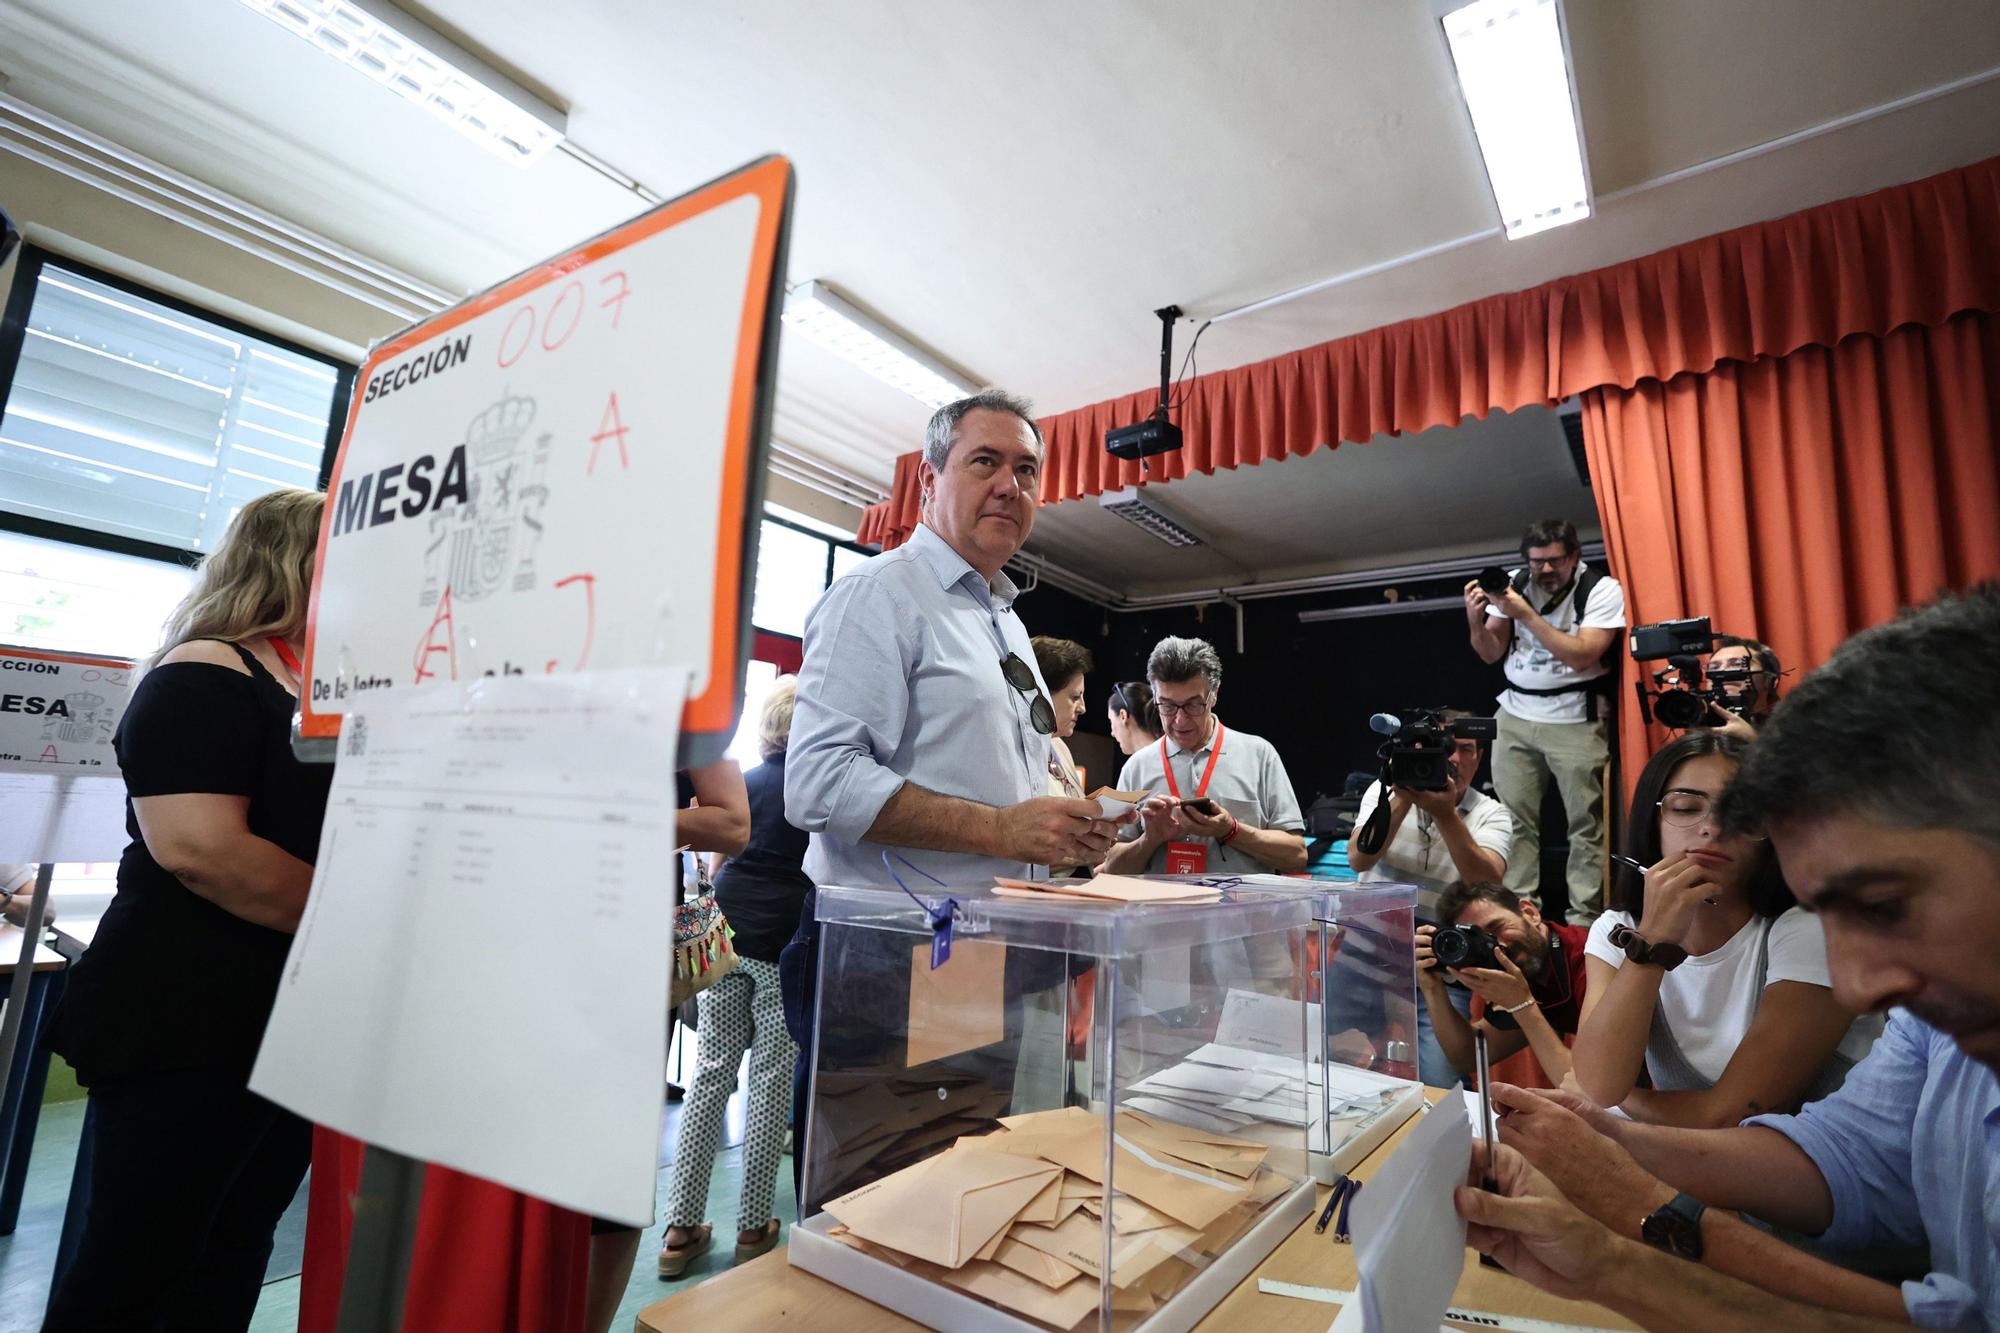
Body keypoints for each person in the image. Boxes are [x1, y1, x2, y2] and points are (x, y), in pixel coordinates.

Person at [1458, 584, 2000, 1330]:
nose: (1860, 985)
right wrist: (1610, 1143)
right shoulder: (1936, 1025)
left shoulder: (1792, 932)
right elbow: (1850, 1155)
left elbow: (1712, 1108)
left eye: (1885, 905)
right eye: (1684, 807)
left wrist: (1635, 1199)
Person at [782, 390, 1124, 1204]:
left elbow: (1027, 774)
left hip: (977, 954)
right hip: (886, 960)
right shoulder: (881, 595)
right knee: (875, 1213)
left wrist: (1070, 824)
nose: (1012, 484)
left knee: (960, 1201)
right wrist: (1006, 828)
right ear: (930, 479)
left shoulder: (1001, 620)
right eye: (986, 462)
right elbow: (820, 779)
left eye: (1028, 471)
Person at [43, 488, 332, 1332]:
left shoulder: (311, 683)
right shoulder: (207, 668)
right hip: (188, 1009)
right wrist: (359, 928)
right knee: (138, 1257)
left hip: (285, 1011)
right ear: (299, 557)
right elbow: (204, 851)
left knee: (235, 1241)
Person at [1572, 730, 1879, 1126]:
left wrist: (1630, 1104)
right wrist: (1652, 941)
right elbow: (1600, 1084)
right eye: (1685, 808)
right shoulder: (1618, 929)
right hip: (1702, 1166)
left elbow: (1732, 1115)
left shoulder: (1810, 930)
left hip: (1827, 1173)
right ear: (1652, 821)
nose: (1713, 828)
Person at [584, 757, 749, 1330]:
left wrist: (612, 816)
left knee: (613, 1170)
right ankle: (707, 1225)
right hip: (542, 940)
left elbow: (732, 825)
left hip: (630, 953)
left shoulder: (683, 701)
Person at [657, 683, 808, 1279]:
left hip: (726, 937)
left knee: (710, 1073)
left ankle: (680, 1228)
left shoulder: (743, 778)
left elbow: (720, 864)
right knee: (770, 1082)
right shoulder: (813, 787)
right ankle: (751, 1226)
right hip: (784, 941)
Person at [1465, 519, 1625, 922]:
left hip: (1575, 717)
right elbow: (1489, 652)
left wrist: (1525, 613)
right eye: (1537, 563)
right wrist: (1475, 619)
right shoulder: (1518, 582)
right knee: (1513, 822)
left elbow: (1583, 655)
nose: (1545, 571)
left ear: (1573, 556)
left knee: (1586, 826)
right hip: (1516, 713)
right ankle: (1522, 915)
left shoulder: (1601, 590)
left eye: (1554, 561)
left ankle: (1585, 920)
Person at [1344, 716, 1511, 1085]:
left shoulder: (1491, 813)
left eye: (1463, 749)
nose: (1451, 758)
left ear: (1478, 757)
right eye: (1444, 748)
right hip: (1365, 951)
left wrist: (1445, 812)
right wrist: (1403, 792)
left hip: (1438, 964)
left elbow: (1486, 882)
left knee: (1441, 1080)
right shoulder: (1383, 791)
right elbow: (1359, 858)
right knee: (1317, 1055)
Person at [1101, 636, 1307, 876]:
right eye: (1166, 705)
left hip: (1238, 912)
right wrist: (1150, 839)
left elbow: (1296, 857)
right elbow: (1112, 869)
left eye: (1193, 705)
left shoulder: (1259, 755)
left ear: (1214, 695)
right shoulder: (1136, 767)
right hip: (1164, 912)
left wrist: (1231, 830)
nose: (1179, 720)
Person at [1416, 880, 1588, 1089]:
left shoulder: (1586, 958)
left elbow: (1588, 1089)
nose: (1500, 946)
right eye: (1481, 941)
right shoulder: (1521, 972)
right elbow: (1468, 1057)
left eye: (1497, 927)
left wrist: (1521, 1004)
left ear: (1530, 913)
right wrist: (1433, 987)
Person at [1030, 635, 1092, 799]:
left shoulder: (1059, 747)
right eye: (1074, 697)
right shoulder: (1013, 751)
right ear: (1043, 694)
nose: (1082, 708)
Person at [1704, 633, 1782, 736]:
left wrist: (1752, 738)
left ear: (1770, 680)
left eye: (1737, 664)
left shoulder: (1790, 730)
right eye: (1714, 668)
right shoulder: (1698, 724)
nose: (1722, 671)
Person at [1106, 679, 1161, 756]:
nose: (1112, 733)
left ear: (1123, 716)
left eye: (1111, 721)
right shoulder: (1176, 756)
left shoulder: (1133, 767)